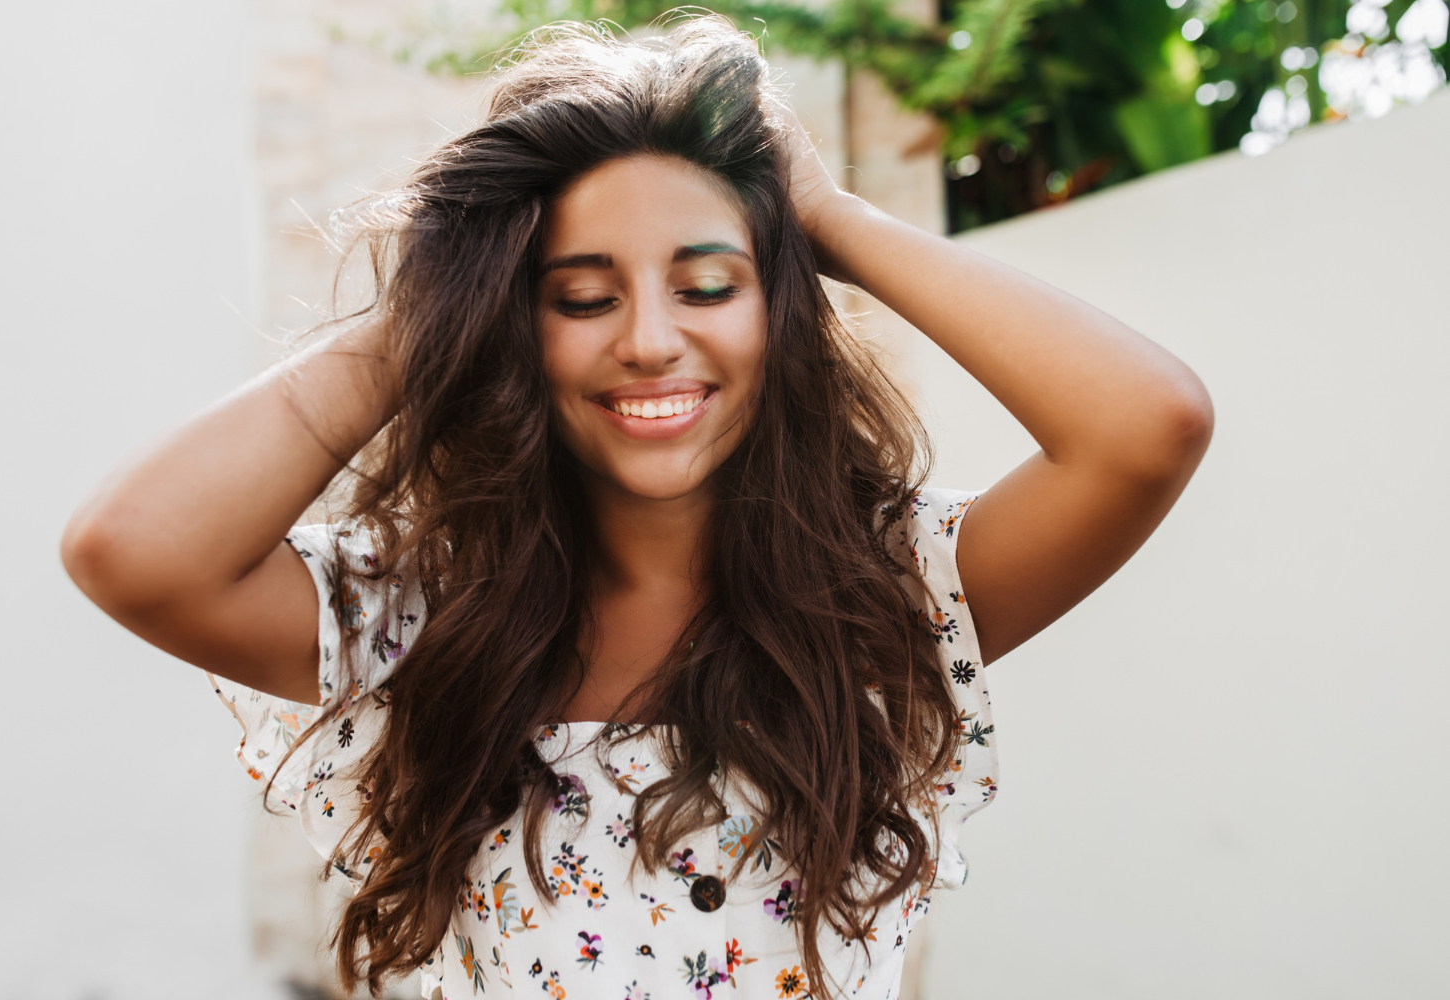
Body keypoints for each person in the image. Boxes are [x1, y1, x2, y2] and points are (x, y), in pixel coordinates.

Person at [60, 15, 1212, 1000]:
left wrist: (830, 221)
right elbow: (131, 550)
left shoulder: (888, 601)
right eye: (580, 296)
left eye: (709, 284)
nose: (652, 339)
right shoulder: (422, 627)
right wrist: (443, 300)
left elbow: (1149, 424)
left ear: (780, 309)